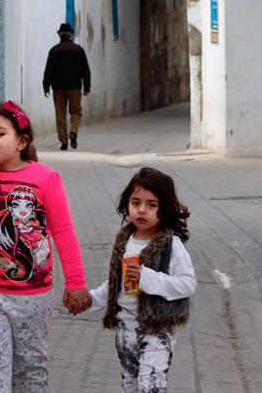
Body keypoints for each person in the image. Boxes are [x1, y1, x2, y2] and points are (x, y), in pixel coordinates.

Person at [0, 100, 91, 393]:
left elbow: (63, 231)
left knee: (31, 367)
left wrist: (76, 282)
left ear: (22, 141)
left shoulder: (45, 178)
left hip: (35, 294)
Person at [88, 167, 197, 393]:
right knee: (130, 385)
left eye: (151, 205)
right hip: (124, 328)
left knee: (151, 387)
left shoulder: (170, 244)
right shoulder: (124, 240)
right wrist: (89, 300)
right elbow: (115, 284)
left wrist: (148, 277)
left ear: (164, 209)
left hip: (157, 330)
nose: (141, 210)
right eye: (136, 202)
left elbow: (188, 284)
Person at [42, 22, 91, 150]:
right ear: (70, 35)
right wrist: (86, 87)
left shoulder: (54, 51)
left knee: (60, 114)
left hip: (58, 88)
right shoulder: (78, 50)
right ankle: (73, 131)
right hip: (74, 87)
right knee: (76, 112)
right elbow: (85, 70)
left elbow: (49, 70)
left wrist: (46, 86)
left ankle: (64, 141)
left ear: (60, 35)